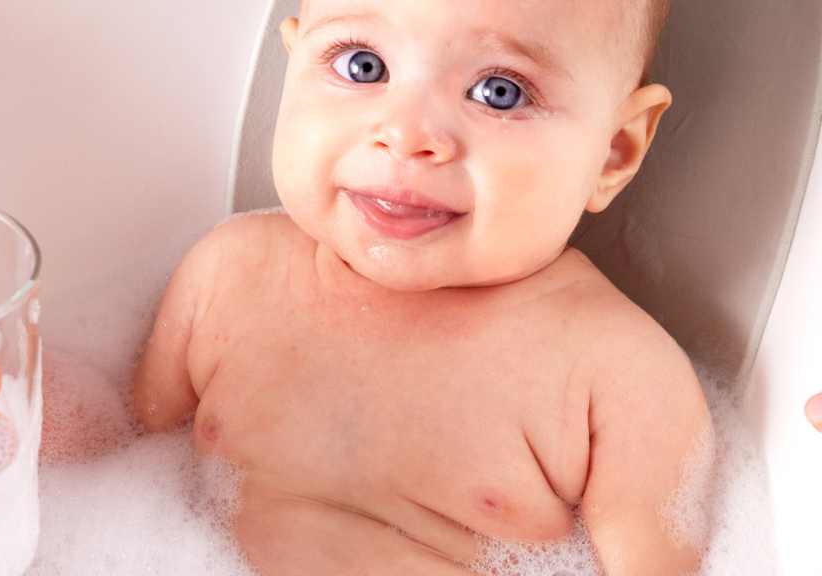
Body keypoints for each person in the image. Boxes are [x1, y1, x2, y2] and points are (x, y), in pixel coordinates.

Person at [131, 0, 713, 574]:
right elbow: (128, 449)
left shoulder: (616, 374)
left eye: (499, 92)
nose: (406, 135)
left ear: (614, 150)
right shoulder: (226, 275)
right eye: (362, 64)